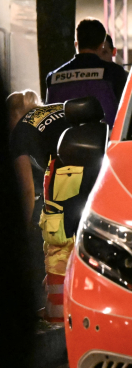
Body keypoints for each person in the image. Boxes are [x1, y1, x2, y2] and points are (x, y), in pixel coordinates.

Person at [8, 92, 70, 321]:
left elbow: (26, 190)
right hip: (94, 173)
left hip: (64, 190)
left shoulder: (19, 134)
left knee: (49, 245)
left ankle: (52, 312)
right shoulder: (53, 111)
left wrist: (21, 229)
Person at [44, 19, 127, 124]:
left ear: (77, 44)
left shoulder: (53, 78)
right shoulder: (115, 73)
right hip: (105, 138)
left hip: (62, 139)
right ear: (101, 44)